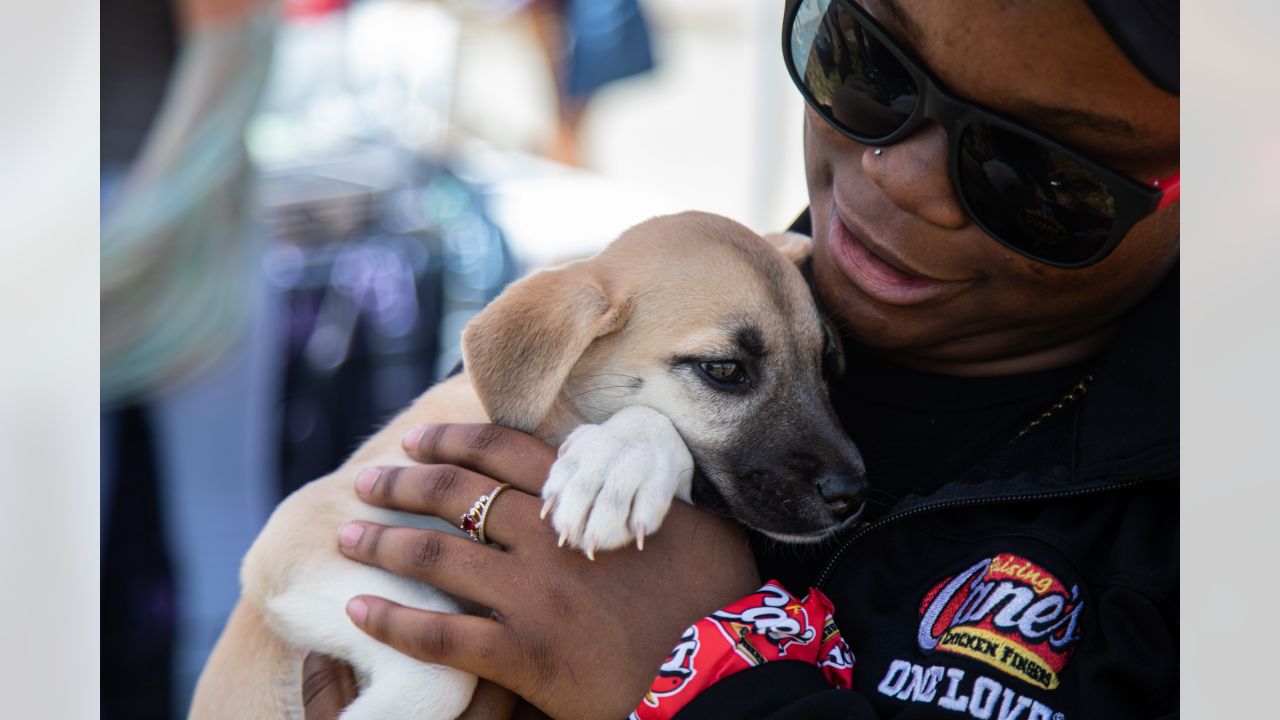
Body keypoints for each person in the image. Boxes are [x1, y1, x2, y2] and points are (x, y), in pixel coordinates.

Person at [301, 0, 1179, 717]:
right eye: (866, 63)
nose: (899, 178)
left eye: (1043, 173)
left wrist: (715, 672)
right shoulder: (675, 311)